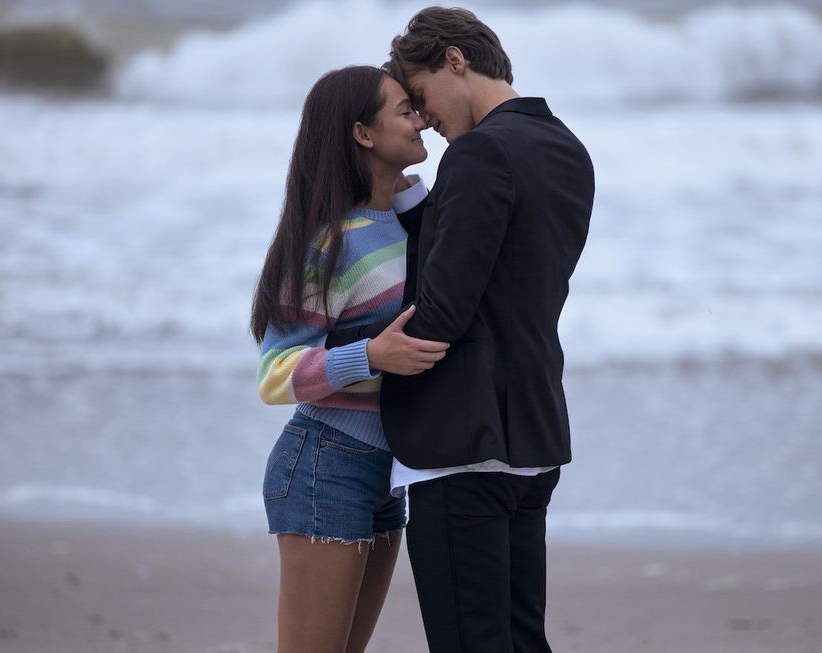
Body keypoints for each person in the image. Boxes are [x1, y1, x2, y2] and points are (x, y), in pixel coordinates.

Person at [328, 7, 596, 652]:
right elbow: (504, 282)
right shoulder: (567, 148)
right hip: (533, 432)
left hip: (463, 441)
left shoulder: (482, 152)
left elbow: (443, 312)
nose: (426, 121)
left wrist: (355, 352)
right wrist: (422, 206)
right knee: (519, 639)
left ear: (455, 59)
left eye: (420, 96)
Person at [249, 65, 449, 653]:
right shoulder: (329, 241)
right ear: (363, 133)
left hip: (389, 472)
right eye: (404, 110)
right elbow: (275, 372)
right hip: (324, 465)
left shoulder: (405, 223)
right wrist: (372, 355)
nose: (421, 120)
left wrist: (410, 190)